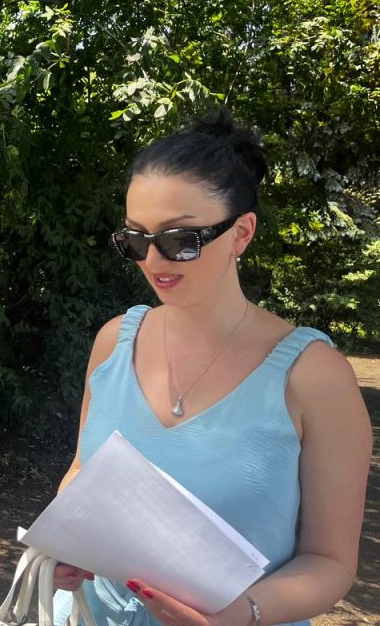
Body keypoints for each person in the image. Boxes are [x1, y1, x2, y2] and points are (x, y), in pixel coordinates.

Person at [51, 114, 371, 626]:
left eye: (181, 239)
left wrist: (241, 613)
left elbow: (330, 562)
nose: (153, 260)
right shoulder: (114, 341)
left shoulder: (314, 377)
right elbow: (81, 471)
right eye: (136, 239)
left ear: (241, 233)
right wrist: (64, 543)